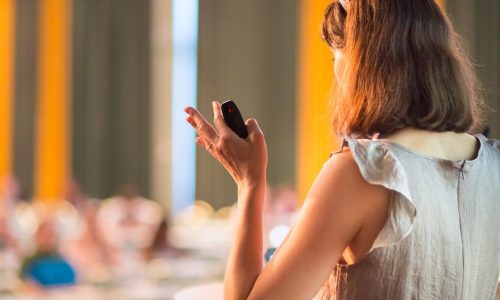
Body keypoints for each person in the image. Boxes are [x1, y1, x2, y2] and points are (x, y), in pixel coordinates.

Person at [184, 0, 500, 299]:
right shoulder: (493, 165)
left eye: (336, 59)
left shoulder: (365, 171)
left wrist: (249, 183)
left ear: (360, 65)